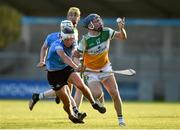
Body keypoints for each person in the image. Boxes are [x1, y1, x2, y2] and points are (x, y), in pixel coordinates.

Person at [31, 20, 106, 123]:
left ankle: (94, 104)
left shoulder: (73, 42)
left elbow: (75, 54)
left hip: (66, 69)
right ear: (62, 38)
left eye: (71, 39)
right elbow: (65, 58)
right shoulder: (57, 45)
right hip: (54, 74)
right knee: (66, 101)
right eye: (67, 39)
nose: (70, 41)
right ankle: (71, 116)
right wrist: (76, 66)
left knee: (81, 85)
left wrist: (80, 64)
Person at [74, 14, 127, 126]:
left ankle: (121, 120)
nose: (100, 22)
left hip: (105, 68)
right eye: (96, 21)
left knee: (114, 93)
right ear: (90, 25)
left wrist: (121, 28)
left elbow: (122, 37)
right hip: (90, 71)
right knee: (97, 93)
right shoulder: (86, 40)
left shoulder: (107, 32)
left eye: (99, 20)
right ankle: (100, 100)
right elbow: (76, 54)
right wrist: (79, 65)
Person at [29, 7, 81, 115]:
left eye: (75, 15)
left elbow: (74, 50)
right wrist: (42, 60)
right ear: (67, 17)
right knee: (68, 89)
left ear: (78, 18)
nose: (73, 17)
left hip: (68, 64)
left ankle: (39, 96)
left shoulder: (75, 32)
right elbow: (48, 48)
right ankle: (75, 112)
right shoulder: (58, 34)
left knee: (68, 89)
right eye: (71, 15)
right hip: (59, 65)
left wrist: (77, 62)